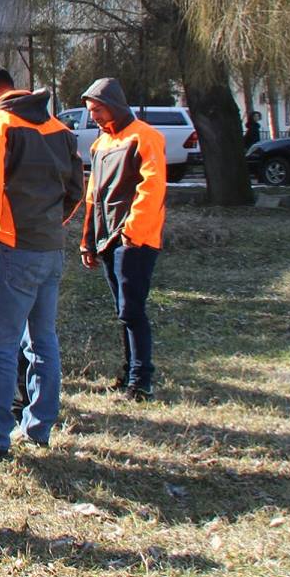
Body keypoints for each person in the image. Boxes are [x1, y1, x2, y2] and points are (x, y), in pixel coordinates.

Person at [0, 63, 81, 457]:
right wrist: (51, 225)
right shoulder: (59, 127)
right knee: (43, 341)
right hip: (49, 247)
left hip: (11, 249)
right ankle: (38, 428)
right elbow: (76, 188)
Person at [79, 79, 168, 401]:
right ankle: (130, 372)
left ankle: (141, 380)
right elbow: (93, 195)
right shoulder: (100, 144)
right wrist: (87, 239)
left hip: (134, 241)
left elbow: (152, 188)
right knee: (123, 310)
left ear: (114, 105)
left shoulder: (145, 137)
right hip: (107, 240)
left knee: (132, 310)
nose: (95, 118)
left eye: (98, 110)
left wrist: (132, 233)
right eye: (91, 113)